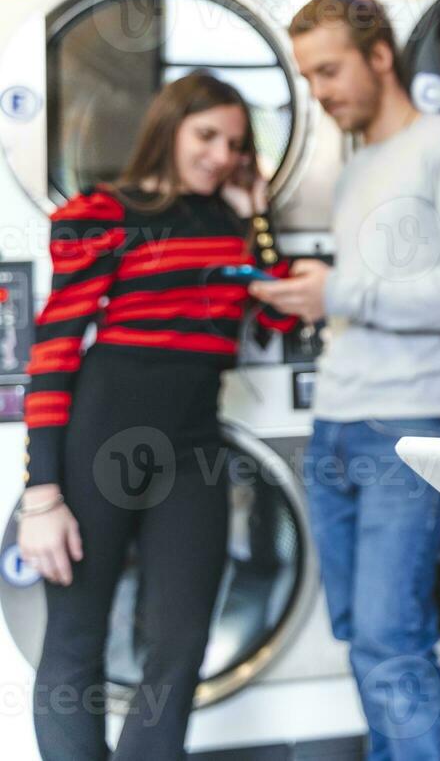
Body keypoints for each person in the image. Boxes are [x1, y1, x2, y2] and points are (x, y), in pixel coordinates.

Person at [250, 0, 440, 761]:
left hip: (411, 428)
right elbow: (366, 294)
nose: (320, 92)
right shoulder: (359, 167)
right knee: (360, 633)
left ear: (381, 57)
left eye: (328, 70)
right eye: (306, 77)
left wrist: (341, 291)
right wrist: (317, 288)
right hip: (336, 422)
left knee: (391, 641)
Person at [19, 72, 292, 760]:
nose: (220, 155)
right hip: (98, 442)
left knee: (180, 645)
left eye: (234, 142)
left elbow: (280, 310)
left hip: (194, 448)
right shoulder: (103, 213)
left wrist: (256, 214)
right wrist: (41, 492)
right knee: (77, 639)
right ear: (169, 128)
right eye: (206, 135)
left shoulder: (231, 225)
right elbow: (53, 351)